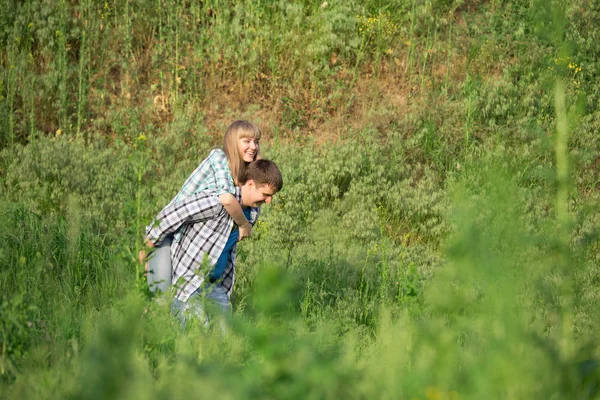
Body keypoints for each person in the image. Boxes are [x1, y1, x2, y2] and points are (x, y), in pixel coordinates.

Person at [142, 159, 283, 327]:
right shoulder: (216, 203)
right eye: (266, 195)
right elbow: (169, 216)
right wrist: (145, 261)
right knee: (199, 333)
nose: (269, 201)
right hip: (189, 285)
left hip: (215, 287)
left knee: (222, 344)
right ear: (250, 184)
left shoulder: (252, 212)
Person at [146, 120, 261, 293]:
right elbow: (226, 199)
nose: (253, 146)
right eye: (247, 141)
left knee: (168, 303)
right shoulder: (220, 158)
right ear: (232, 142)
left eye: (256, 141)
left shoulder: (244, 173)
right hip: (169, 230)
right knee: (159, 298)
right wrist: (244, 225)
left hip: (188, 234)